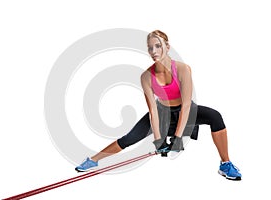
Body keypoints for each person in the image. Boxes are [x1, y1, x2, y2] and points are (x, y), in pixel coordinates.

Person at [75, 30, 242, 181]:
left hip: (186, 111)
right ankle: (93, 160)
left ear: (167, 46)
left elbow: (185, 106)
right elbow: (153, 111)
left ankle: (225, 164)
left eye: (157, 46)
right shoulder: (146, 76)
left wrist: (177, 139)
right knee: (128, 139)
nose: (153, 51)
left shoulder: (183, 69)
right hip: (161, 113)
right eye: (150, 48)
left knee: (215, 117)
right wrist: (158, 141)